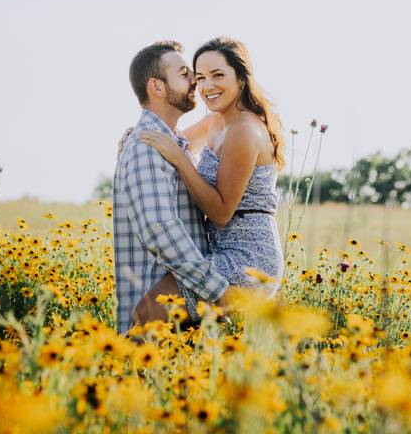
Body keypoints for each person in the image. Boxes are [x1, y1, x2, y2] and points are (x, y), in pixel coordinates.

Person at [132, 36, 285, 325]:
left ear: (241, 78)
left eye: (218, 75)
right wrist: (137, 135)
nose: (207, 87)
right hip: (219, 250)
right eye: (200, 78)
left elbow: (221, 213)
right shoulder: (217, 120)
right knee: (170, 330)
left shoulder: (244, 130)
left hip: (249, 260)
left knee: (147, 315)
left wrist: (179, 158)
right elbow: (171, 139)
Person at [112, 40, 229, 335]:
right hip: (155, 327)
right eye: (183, 74)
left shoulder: (170, 143)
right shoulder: (146, 148)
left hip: (180, 317)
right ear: (157, 87)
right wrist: (218, 291)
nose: (195, 80)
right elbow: (160, 229)